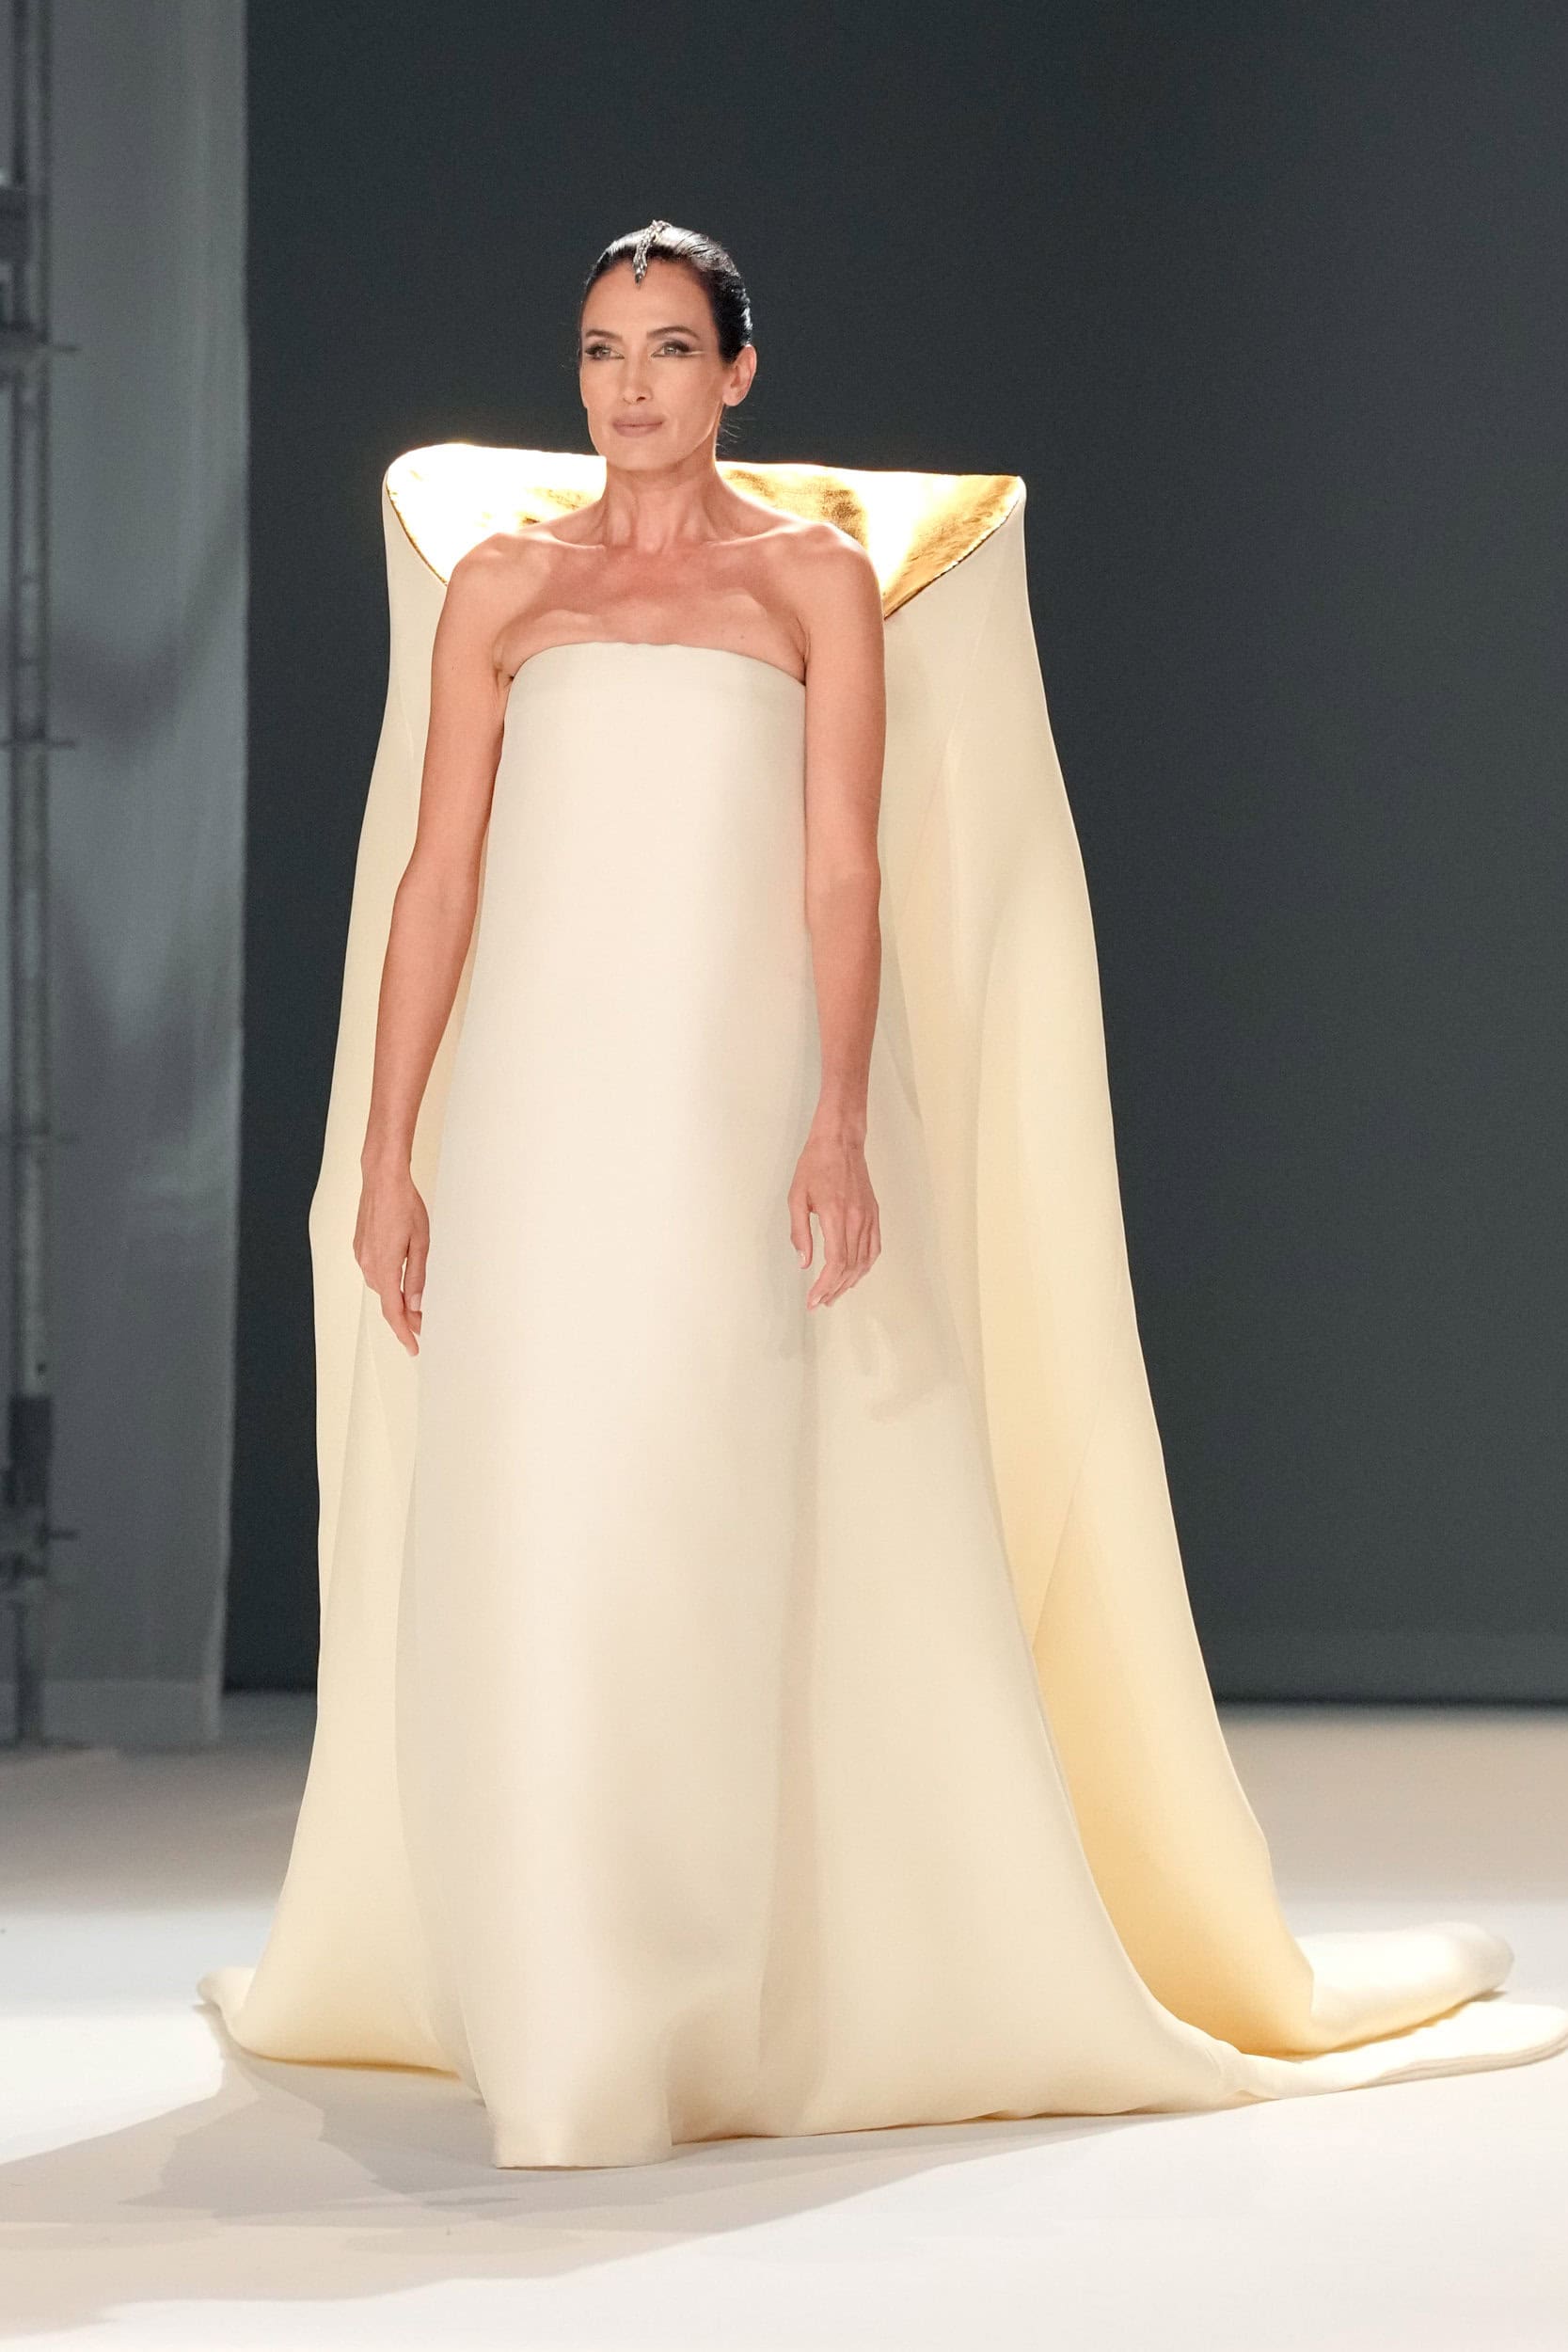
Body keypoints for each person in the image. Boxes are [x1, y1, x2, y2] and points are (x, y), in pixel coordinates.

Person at [199, 220, 1567, 2169]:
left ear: (738, 371)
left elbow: (842, 867)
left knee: (705, 1507)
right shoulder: (502, 584)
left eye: (671, 348)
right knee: (535, 1508)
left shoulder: (813, 580)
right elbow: (438, 883)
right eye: (602, 350)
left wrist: (841, 1114)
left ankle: (691, 2002)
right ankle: (562, 2011)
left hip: (734, 1102)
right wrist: (389, 1145)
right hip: (534, 1115)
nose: (631, 387)